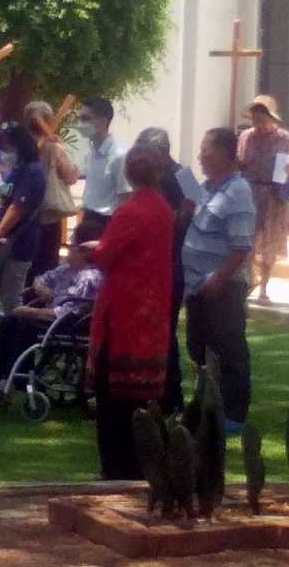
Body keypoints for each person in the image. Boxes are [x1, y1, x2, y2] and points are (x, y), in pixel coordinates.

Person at [86, 146, 173, 480]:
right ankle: (142, 464)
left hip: (124, 310)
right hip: (153, 310)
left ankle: (115, 468)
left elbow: (105, 256)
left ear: (128, 173)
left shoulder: (130, 211)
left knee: (113, 398)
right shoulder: (163, 209)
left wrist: (94, 249)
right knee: (144, 399)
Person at [0, 220, 103, 399]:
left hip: (69, 325)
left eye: (71, 245)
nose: (68, 249)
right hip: (53, 321)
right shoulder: (66, 270)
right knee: (10, 320)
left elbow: (67, 313)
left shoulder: (89, 278)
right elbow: (40, 279)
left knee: (24, 322)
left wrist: (29, 311)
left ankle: (8, 383)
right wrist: (42, 289)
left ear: (85, 251)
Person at [183, 127, 256, 432]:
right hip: (197, 285)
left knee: (229, 347)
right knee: (198, 345)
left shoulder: (237, 191)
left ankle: (234, 415)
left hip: (224, 286)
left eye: (206, 150)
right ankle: (206, 404)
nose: (201, 156)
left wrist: (219, 278)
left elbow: (241, 245)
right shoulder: (206, 188)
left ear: (226, 154)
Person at [135, 127, 195, 414]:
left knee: (165, 333)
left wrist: (172, 220)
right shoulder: (152, 177)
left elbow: (199, 212)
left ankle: (172, 397)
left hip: (174, 263)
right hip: (153, 263)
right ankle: (151, 394)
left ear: (161, 151)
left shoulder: (184, 176)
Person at [0, 122, 47, 316]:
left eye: (6, 147)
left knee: (12, 296)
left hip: (19, 241)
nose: (3, 152)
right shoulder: (15, 170)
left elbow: (16, 208)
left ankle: (20, 332)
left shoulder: (33, 171)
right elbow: (0, 198)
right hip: (1, 238)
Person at [237, 95, 289, 305]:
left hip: (274, 196)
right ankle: (249, 280)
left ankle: (264, 288)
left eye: (262, 119)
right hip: (249, 193)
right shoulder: (246, 136)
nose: (258, 124)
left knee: (270, 243)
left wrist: (288, 167)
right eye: (255, 119)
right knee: (247, 241)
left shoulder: (284, 138)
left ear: (271, 118)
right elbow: (239, 162)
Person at [23, 100, 79, 279]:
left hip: (22, 214)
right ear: (49, 121)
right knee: (46, 267)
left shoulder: (20, 146)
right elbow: (70, 177)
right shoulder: (55, 148)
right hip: (49, 216)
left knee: (25, 267)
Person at [77, 97, 131, 237]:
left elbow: (125, 198)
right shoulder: (91, 152)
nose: (80, 124)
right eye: (80, 119)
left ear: (103, 121)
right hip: (88, 218)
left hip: (107, 223)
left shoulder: (119, 155)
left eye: (86, 118)